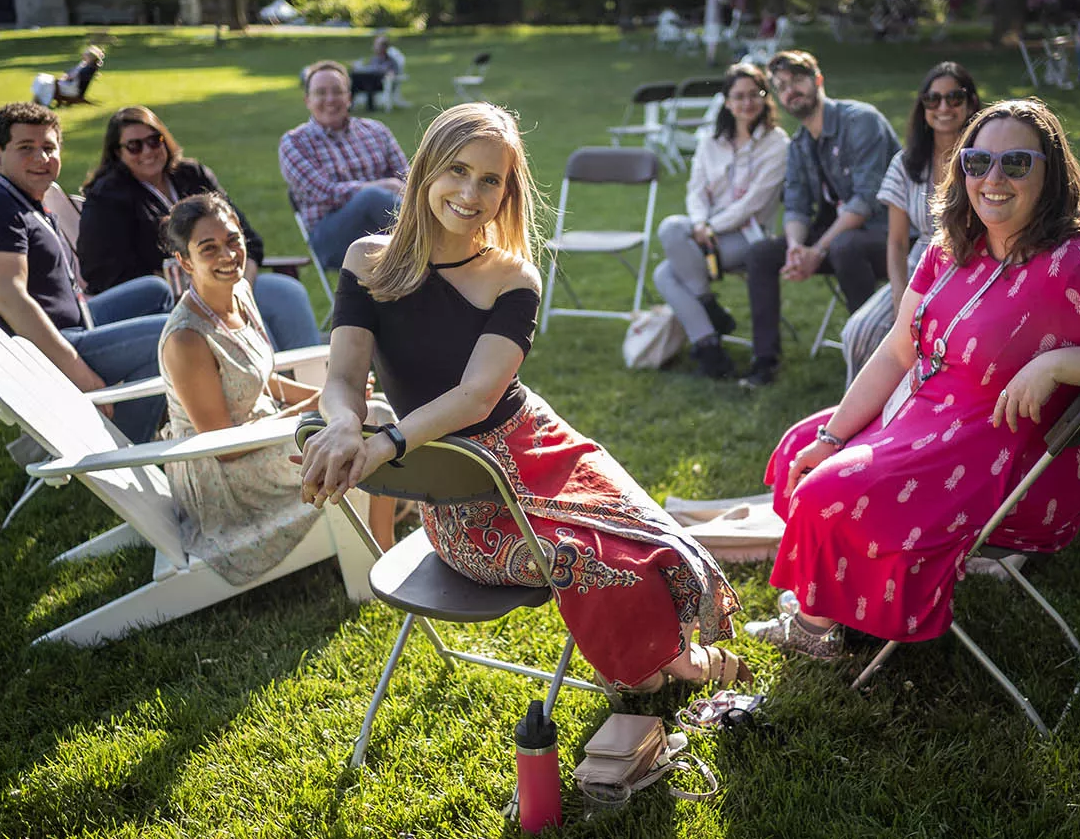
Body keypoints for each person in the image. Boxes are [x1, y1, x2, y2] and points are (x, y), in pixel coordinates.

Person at [297, 103, 747, 691]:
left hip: (539, 444)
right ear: (426, 170)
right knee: (603, 565)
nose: (470, 192)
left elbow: (479, 395)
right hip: (460, 487)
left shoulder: (514, 277)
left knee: (655, 540)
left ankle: (669, 660)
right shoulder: (368, 260)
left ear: (508, 192)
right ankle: (668, 668)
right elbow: (344, 379)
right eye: (456, 170)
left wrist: (385, 443)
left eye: (491, 180)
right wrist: (340, 425)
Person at [742, 98, 1080, 658]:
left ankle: (815, 632)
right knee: (801, 450)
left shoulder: (1078, 264)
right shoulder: (952, 244)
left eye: (1016, 164)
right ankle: (842, 596)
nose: (993, 179)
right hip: (922, 416)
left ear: (1049, 173)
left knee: (827, 491)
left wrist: (1058, 364)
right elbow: (896, 350)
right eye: (977, 163)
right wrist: (835, 435)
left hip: (1005, 451)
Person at [0, 102, 171, 444]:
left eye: (49, 148)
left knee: (156, 291)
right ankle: (121, 446)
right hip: (38, 352)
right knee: (170, 336)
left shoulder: (28, 201)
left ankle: (154, 415)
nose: (41, 158)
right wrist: (83, 375)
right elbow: (10, 300)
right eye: (26, 148)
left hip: (72, 324)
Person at [157, 193, 326, 584]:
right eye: (208, 248)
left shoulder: (241, 294)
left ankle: (379, 528)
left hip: (266, 435)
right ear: (185, 262)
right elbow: (224, 447)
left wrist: (330, 395)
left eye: (233, 240)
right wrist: (314, 409)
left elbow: (260, 379)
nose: (228, 255)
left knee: (366, 414)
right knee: (359, 430)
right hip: (226, 477)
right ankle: (380, 553)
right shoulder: (186, 339)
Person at [77, 106, 320, 352]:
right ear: (117, 153)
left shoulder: (191, 175)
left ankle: (313, 378)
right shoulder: (107, 197)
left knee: (288, 294)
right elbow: (102, 273)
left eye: (154, 141)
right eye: (134, 146)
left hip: (231, 281)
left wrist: (239, 289)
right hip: (171, 302)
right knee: (249, 326)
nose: (148, 151)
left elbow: (248, 239)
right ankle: (274, 385)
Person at [738, 50, 901, 387]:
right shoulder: (798, 145)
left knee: (844, 247)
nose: (790, 91)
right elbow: (795, 205)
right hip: (839, 238)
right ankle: (764, 361)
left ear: (818, 80)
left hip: (893, 237)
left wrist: (818, 250)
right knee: (761, 254)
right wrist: (797, 249)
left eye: (797, 80)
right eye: (781, 86)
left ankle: (877, 361)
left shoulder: (860, 121)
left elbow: (866, 201)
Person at [839, 62, 981, 385]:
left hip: (975, 269)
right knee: (858, 333)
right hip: (921, 268)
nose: (943, 107)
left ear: (972, 103)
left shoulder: (986, 159)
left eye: (954, 98)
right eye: (933, 99)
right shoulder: (906, 163)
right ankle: (862, 424)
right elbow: (898, 242)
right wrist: (901, 302)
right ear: (923, 107)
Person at [652, 62, 789, 379]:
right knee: (672, 227)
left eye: (754, 95)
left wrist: (710, 227)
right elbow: (696, 190)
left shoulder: (777, 143)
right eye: (738, 96)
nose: (746, 103)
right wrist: (700, 223)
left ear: (765, 98)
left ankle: (709, 346)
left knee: (665, 274)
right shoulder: (710, 141)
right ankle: (709, 318)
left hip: (749, 237)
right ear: (727, 101)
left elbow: (754, 202)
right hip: (705, 233)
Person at [280, 60, 409, 273]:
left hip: (387, 228)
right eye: (321, 93)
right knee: (371, 197)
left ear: (349, 97)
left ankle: (426, 241)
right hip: (332, 239)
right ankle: (435, 239)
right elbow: (324, 192)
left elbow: (407, 179)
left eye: (337, 91)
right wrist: (378, 187)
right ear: (307, 100)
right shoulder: (294, 142)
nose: (330, 99)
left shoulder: (376, 130)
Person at [31, 45, 103, 107]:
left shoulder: (87, 68)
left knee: (44, 82)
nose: (83, 55)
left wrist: (65, 77)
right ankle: (36, 102)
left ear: (90, 57)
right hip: (67, 84)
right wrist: (65, 76)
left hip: (71, 88)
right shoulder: (83, 64)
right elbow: (69, 73)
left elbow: (72, 76)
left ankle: (36, 103)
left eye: (85, 54)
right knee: (40, 77)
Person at [349, 34, 403, 112]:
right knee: (354, 76)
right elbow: (368, 69)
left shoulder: (391, 61)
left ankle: (369, 107)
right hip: (366, 83)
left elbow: (393, 73)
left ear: (384, 47)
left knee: (369, 78)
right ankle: (349, 105)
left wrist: (389, 74)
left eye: (377, 45)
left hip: (381, 84)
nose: (374, 47)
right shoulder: (374, 59)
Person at [704, 0, 728, 67]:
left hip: (710, 19)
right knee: (713, 40)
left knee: (711, 41)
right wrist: (730, 1)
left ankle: (710, 59)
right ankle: (711, 60)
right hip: (713, 20)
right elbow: (722, 0)